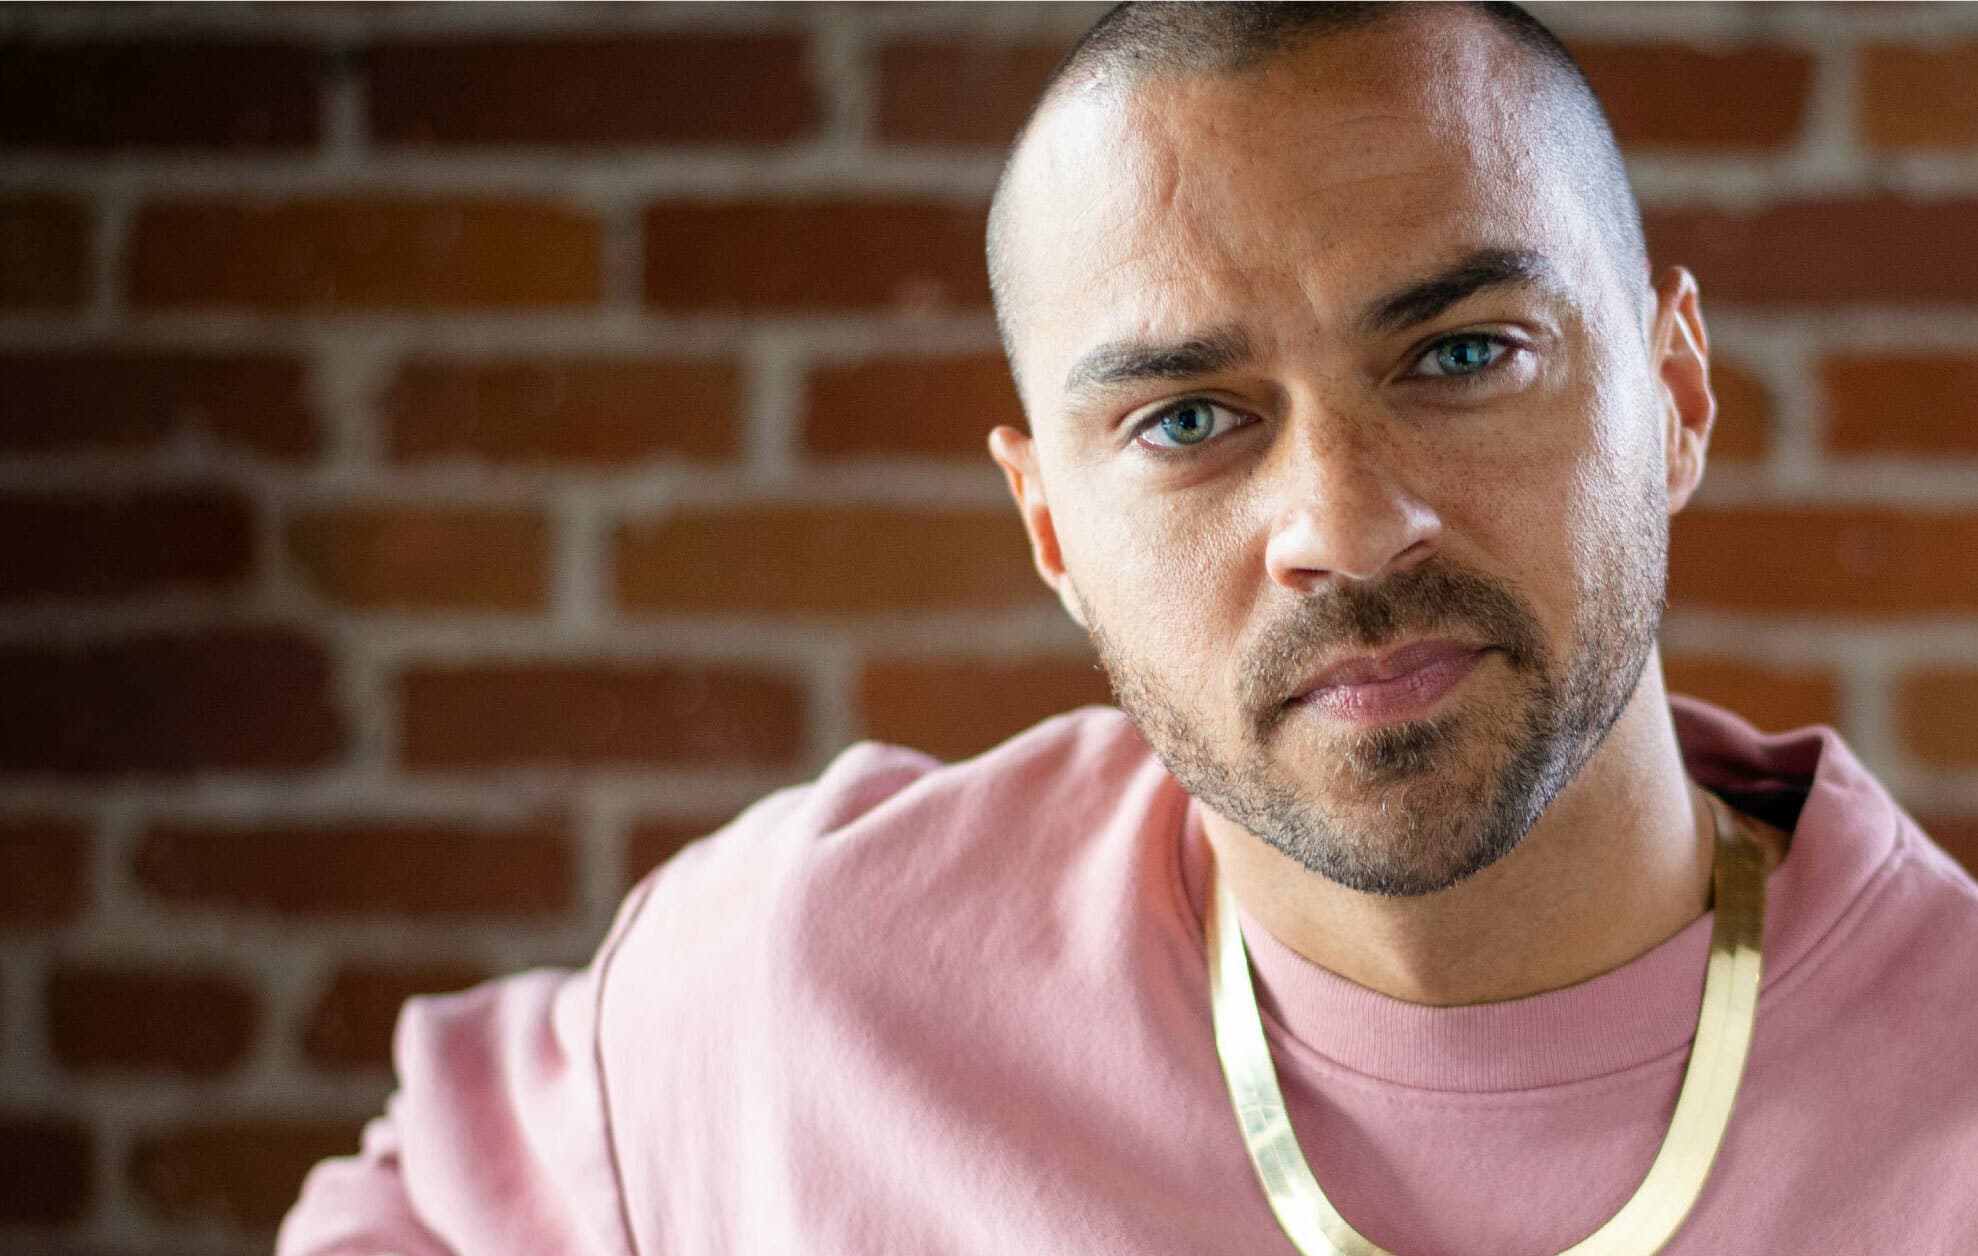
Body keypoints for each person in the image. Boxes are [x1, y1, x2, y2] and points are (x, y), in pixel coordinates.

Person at [280, 4, 1978, 1253]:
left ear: (1672, 391)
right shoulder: (814, 975)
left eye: (1462, 354)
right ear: (1051, 530)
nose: (1343, 525)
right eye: (1185, 421)